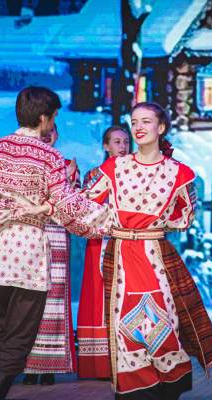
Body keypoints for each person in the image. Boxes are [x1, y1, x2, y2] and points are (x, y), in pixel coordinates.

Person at [0, 86, 111, 399]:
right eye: (54, 117)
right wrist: (108, 218)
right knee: (19, 334)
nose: (53, 123)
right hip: (28, 254)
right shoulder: (49, 155)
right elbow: (66, 205)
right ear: (43, 118)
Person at [77, 102, 212, 398]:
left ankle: (168, 384)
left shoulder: (180, 173)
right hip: (121, 255)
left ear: (161, 127)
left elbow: (184, 218)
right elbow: (86, 203)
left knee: (163, 326)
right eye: (134, 121)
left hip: (155, 256)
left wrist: (151, 223)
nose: (138, 127)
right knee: (124, 330)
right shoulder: (113, 167)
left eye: (146, 121)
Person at [23, 123, 81, 386]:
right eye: (43, 130)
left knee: (54, 300)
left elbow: (72, 205)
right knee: (27, 298)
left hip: (56, 237)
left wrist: (67, 182)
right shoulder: (26, 162)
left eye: (52, 131)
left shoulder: (68, 165)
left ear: (58, 135)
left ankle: (48, 366)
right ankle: (26, 365)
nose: (47, 135)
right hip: (27, 236)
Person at [77, 126, 130, 379]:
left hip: (129, 242)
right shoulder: (94, 175)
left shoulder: (136, 174)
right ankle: (101, 363)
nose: (123, 146)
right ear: (106, 146)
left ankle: (128, 358)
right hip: (101, 242)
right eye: (117, 142)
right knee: (100, 296)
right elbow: (87, 208)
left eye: (126, 142)